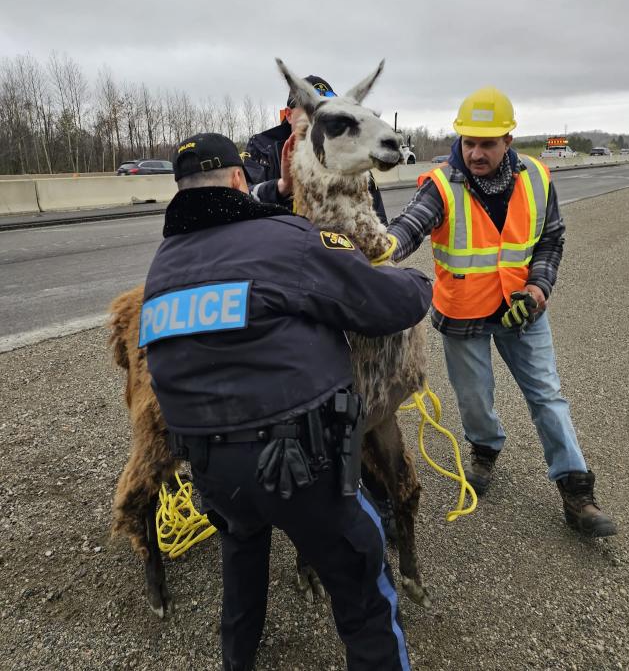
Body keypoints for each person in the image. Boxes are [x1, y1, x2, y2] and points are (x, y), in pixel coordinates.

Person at [141, 132, 433, 671]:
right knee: (364, 592)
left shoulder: (160, 270)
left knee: (242, 566)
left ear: (180, 189)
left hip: (212, 473)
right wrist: (417, 281)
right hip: (305, 469)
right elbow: (382, 305)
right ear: (237, 180)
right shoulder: (286, 240)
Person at [387, 88, 616, 538]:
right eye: (469, 142)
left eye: (487, 144)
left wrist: (538, 287)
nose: (475, 152)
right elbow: (409, 225)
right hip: (463, 315)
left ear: (508, 140)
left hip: (522, 312)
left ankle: (577, 490)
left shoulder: (536, 178)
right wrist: (382, 247)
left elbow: (551, 239)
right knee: (474, 400)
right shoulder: (442, 184)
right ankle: (485, 450)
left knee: (547, 396)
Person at [245, 73, 388, 223]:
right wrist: (282, 188)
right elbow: (240, 201)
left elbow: (379, 222)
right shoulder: (262, 150)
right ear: (288, 115)